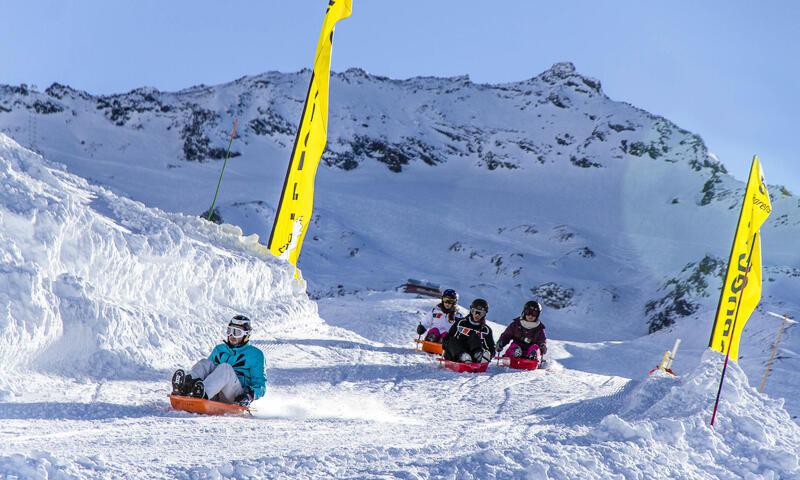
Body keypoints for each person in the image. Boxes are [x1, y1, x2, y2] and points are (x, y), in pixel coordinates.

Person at [171, 314, 266, 406]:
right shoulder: (219, 349)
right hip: (214, 392)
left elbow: (260, 385)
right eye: (229, 331)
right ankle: (186, 388)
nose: (232, 335)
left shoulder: (255, 355)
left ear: (246, 335)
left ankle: (203, 393)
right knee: (205, 363)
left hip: (235, 396)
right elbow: (207, 371)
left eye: (237, 332)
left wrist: (249, 396)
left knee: (225, 368)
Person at [442, 298, 496, 363]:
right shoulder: (460, 323)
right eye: (475, 311)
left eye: (481, 313)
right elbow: (447, 339)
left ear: (485, 314)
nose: (477, 315)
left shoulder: (486, 330)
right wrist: (446, 347)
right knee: (452, 339)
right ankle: (463, 356)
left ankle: (479, 355)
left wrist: (489, 354)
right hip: (456, 355)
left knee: (474, 336)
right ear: (471, 310)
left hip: (473, 357)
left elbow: (491, 348)